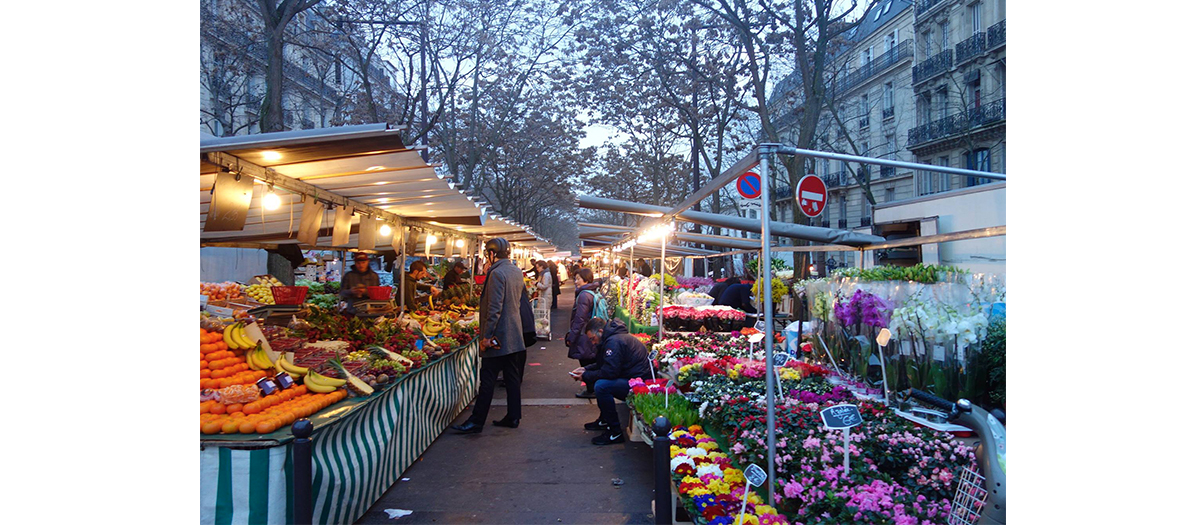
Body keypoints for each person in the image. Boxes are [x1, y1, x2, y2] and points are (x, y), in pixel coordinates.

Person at [452, 238, 527, 434]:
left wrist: (486, 336)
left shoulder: (496, 273)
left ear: (492, 254)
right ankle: (513, 416)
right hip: (514, 334)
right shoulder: (516, 271)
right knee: (512, 378)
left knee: (487, 379)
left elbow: (494, 308)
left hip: (498, 337)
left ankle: (476, 421)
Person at [572, 317, 655, 445]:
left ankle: (615, 431)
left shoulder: (613, 342)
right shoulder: (612, 338)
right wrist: (585, 369)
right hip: (633, 378)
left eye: (592, 339)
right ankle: (605, 419)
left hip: (638, 384)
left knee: (601, 386)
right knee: (601, 384)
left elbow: (609, 372)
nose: (593, 343)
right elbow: (605, 364)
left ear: (600, 331)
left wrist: (586, 376)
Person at [566, 268, 601, 399]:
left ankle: (591, 389)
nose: (576, 281)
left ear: (586, 279)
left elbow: (579, 318)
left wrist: (572, 336)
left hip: (585, 333)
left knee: (586, 360)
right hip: (591, 330)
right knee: (591, 358)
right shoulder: (592, 292)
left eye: (578, 278)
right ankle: (593, 387)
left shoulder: (584, 295)